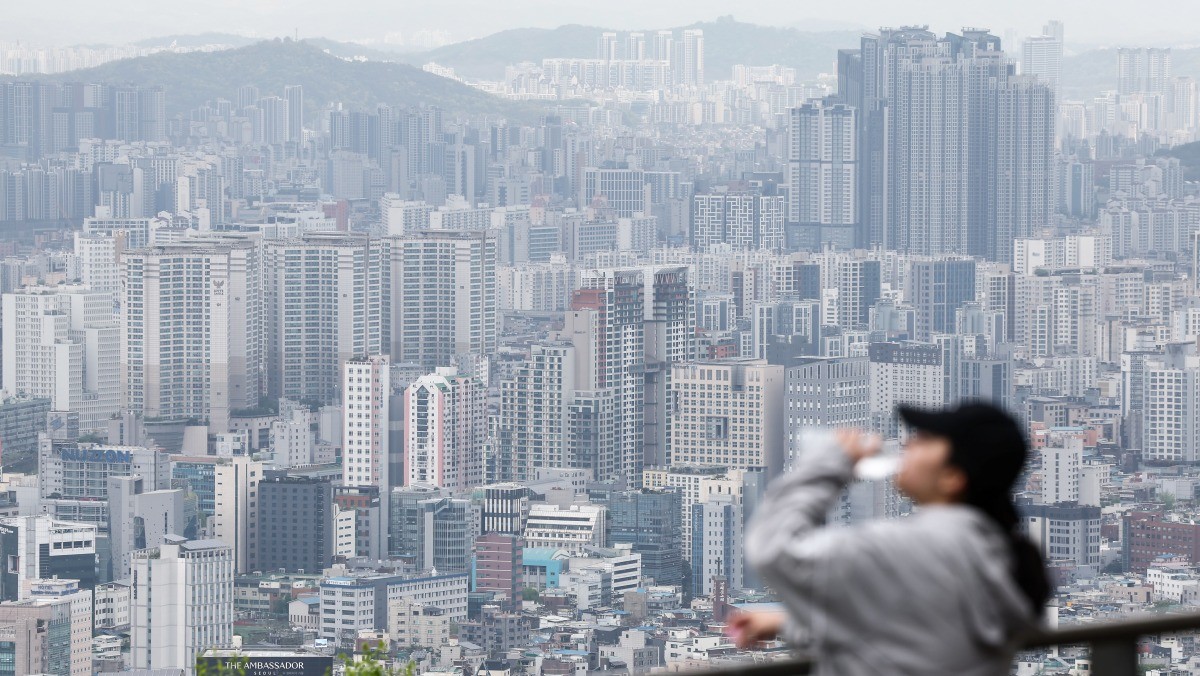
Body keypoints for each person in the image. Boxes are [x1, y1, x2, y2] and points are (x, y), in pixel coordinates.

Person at [730, 403, 1051, 676]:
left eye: (925, 439)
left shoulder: (911, 547)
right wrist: (788, 625)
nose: (908, 444)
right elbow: (912, 634)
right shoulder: (989, 550)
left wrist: (825, 465)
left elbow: (773, 549)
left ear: (953, 478)